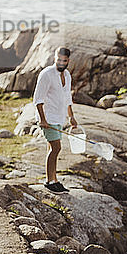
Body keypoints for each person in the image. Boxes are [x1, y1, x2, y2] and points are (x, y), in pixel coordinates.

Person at [33, 46, 77, 194]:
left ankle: (53, 178)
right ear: (54, 58)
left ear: (68, 61)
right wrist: (42, 120)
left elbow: (67, 98)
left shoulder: (67, 75)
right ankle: (49, 181)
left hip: (59, 117)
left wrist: (71, 116)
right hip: (48, 117)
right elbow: (37, 99)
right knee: (56, 148)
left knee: (51, 148)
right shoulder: (46, 74)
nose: (60, 63)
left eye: (64, 61)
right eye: (58, 60)